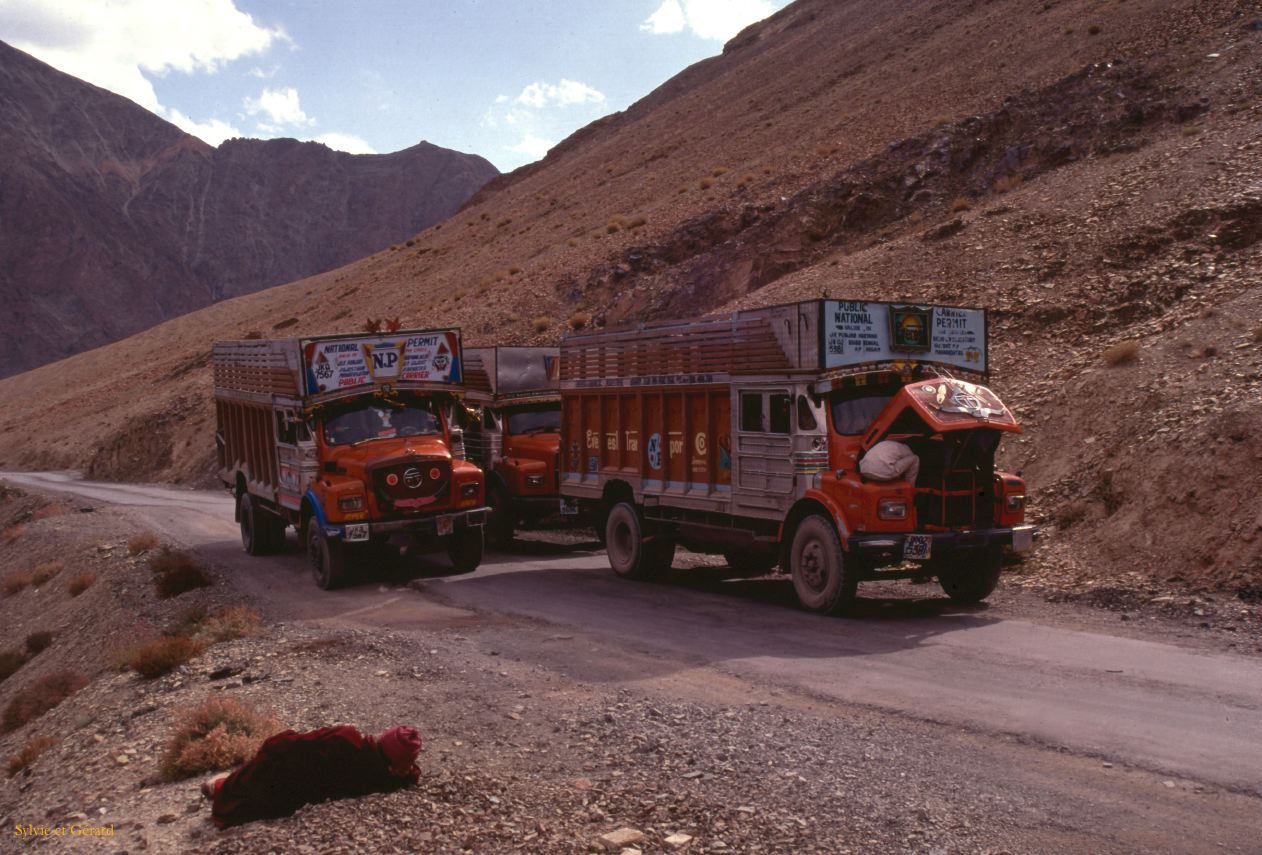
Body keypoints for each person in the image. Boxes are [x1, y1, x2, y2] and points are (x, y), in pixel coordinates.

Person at [202, 725, 422, 828]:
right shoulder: (379, 781)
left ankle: (221, 786)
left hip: (276, 778)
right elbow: (411, 775)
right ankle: (222, 788)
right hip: (285, 799)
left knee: (264, 770)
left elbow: (282, 743)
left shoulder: (347, 737)